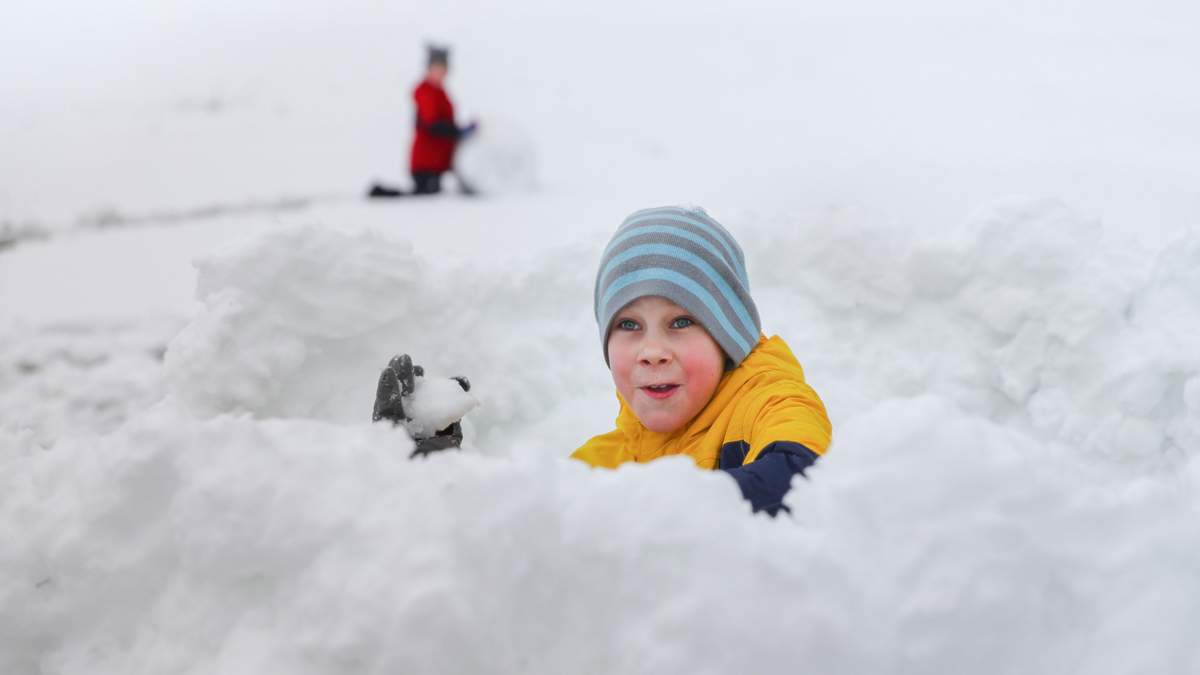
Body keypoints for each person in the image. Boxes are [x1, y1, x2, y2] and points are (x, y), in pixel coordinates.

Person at [571, 205, 832, 515]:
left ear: (728, 336)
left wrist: (667, 510)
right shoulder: (599, 466)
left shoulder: (768, 404)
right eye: (629, 325)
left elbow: (807, 474)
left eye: (680, 322)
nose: (652, 352)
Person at [409, 45, 475, 195]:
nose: (440, 73)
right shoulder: (426, 92)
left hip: (436, 160)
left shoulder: (440, 92)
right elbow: (431, 124)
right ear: (428, 69)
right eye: (436, 68)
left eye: (443, 69)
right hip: (426, 161)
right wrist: (457, 131)